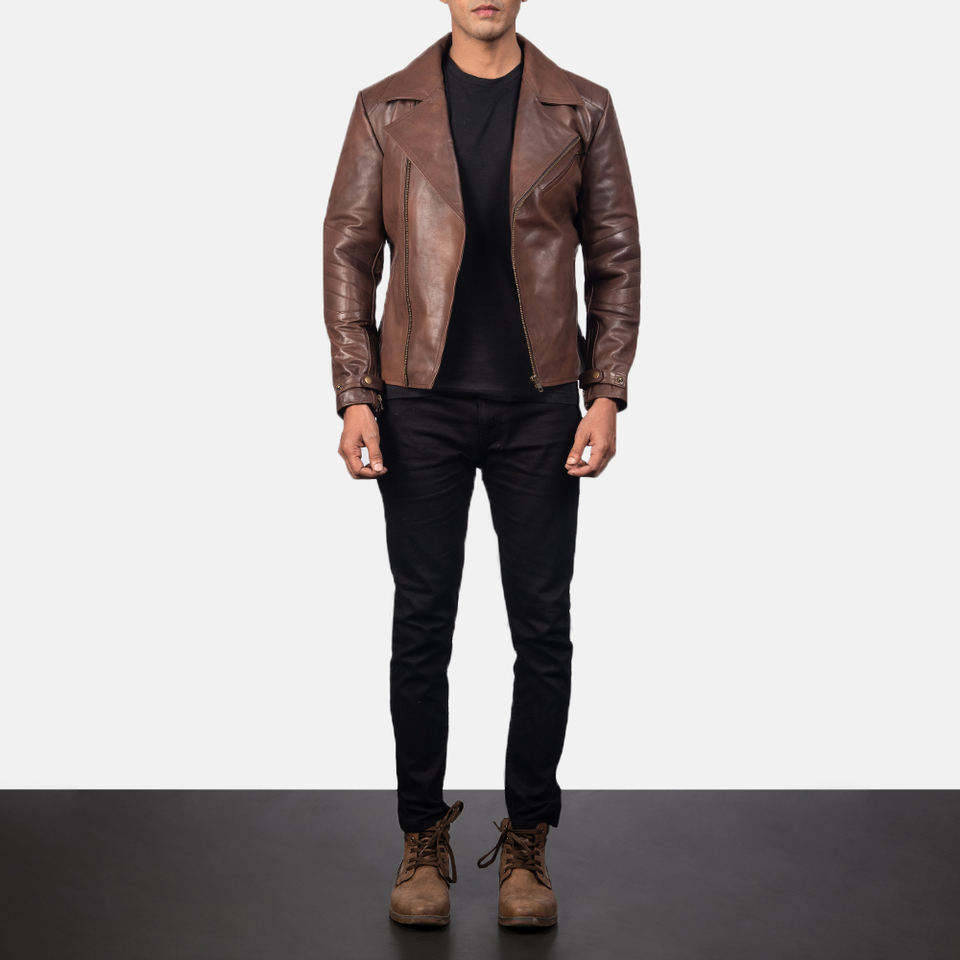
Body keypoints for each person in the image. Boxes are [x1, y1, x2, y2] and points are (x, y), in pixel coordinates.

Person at [323, 0, 640, 929]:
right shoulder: (385, 107)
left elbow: (615, 258)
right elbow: (349, 254)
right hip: (415, 401)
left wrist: (606, 392)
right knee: (422, 625)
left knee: (542, 629)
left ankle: (527, 844)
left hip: (540, 404)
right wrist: (356, 393)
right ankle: (421, 839)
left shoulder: (582, 108)